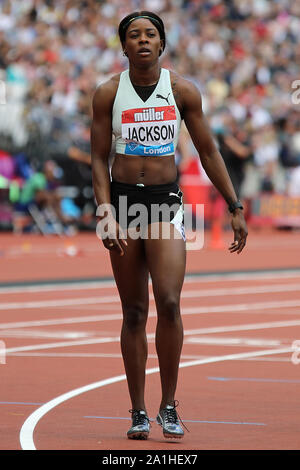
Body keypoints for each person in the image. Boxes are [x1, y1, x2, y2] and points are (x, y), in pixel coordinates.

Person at [91, 11, 248, 440]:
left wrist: (234, 204)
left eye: (151, 34)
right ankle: (138, 410)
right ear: (123, 46)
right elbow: (97, 158)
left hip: (163, 205)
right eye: (134, 35)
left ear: (162, 44)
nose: (143, 41)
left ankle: (168, 406)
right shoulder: (108, 93)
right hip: (123, 204)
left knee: (170, 302)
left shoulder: (181, 91)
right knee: (134, 311)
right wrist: (105, 212)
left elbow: (209, 150)